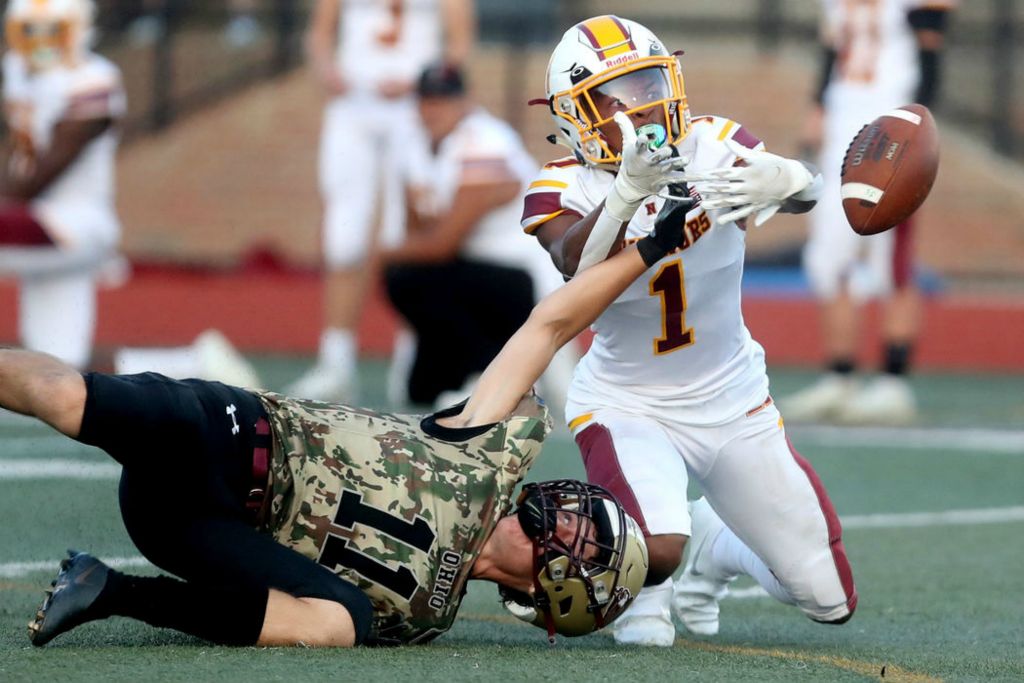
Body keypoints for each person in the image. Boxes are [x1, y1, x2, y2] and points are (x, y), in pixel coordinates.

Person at [16, 205, 702, 648]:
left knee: (343, 621)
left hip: (192, 529)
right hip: (236, 435)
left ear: (558, 592)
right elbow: (548, 326)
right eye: (587, 518)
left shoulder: (423, 618)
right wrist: (647, 252)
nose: (573, 515)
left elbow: (300, 601)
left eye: (584, 540)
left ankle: (111, 590)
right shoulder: (493, 451)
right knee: (69, 400)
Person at [523, 15, 855, 646]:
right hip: (628, 403)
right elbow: (574, 261)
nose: (639, 108)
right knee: (650, 593)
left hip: (733, 398)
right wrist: (624, 194)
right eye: (612, 97)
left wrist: (787, 179)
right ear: (572, 115)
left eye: (647, 86)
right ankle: (669, 564)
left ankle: (715, 551)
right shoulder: (561, 181)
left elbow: (807, 192)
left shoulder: (714, 141)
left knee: (827, 597)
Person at [286, 0, 476, 402]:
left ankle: (413, 358)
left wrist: (421, 83)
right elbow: (320, 33)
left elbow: (460, 41)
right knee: (344, 238)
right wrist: (328, 70)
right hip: (354, 108)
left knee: (406, 238)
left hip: (413, 110)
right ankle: (335, 361)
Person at [781, 0, 956, 425]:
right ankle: (839, 376)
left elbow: (932, 59)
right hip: (844, 125)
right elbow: (831, 54)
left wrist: (917, 129)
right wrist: (817, 109)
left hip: (893, 130)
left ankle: (893, 382)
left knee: (891, 259)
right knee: (830, 258)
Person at [382, 62, 576, 408]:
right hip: (470, 276)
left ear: (464, 102)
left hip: (523, 279)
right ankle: (478, 367)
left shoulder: (485, 139)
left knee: (405, 276)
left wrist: (375, 253)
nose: (433, 109)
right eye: (426, 100)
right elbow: (418, 236)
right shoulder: (412, 145)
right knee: (420, 391)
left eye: (442, 100)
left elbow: (440, 244)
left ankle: (489, 371)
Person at [0, 0, 125, 371]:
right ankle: (189, 364)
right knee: (60, 368)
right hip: (35, 219)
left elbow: (38, 175)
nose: (39, 43)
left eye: (50, 30)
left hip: (75, 221)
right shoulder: (16, 71)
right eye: (29, 31)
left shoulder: (93, 77)